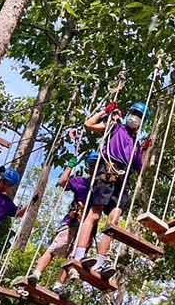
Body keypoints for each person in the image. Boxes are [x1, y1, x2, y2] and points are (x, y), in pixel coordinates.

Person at [66, 101, 153, 283]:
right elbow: (89, 125)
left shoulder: (136, 143)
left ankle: (101, 261)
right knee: (95, 215)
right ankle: (80, 254)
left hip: (123, 180)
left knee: (113, 221)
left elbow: (140, 166)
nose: (134, 118)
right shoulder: (116, 127)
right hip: (107, 172)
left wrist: (146, 150)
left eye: (139, 116)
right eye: (134, 113)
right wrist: (105, 112)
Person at [14, 151, 97, 291]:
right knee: (56, 247)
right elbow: (62, 182)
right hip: (73, 221)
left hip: (87, 227)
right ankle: (36, 273)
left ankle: (59, 284)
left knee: (74, 256)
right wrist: (70, 166)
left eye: (96, 165)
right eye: (92, 165)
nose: (93, 168)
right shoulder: (82, 182)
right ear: (89, 167)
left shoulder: (102, 186)